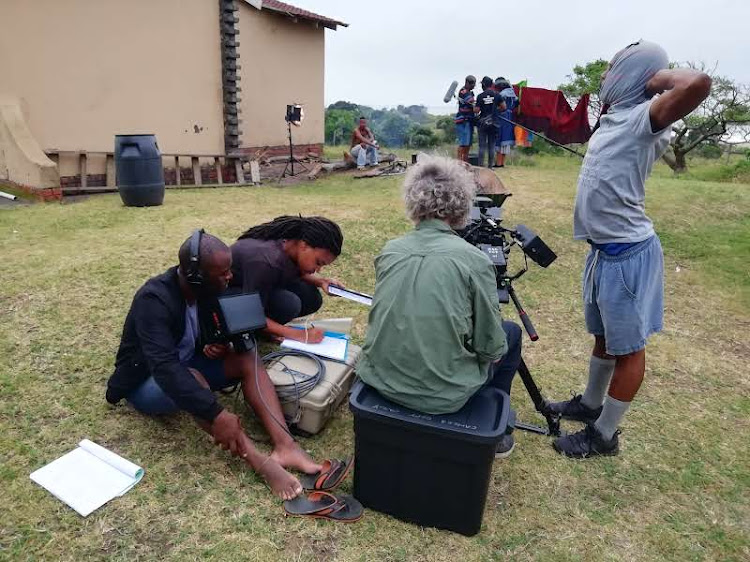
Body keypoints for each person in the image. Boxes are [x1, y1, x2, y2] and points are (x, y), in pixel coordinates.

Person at [550, 41, 712, 458]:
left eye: (612, 69)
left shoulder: (647, 116)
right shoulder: (617, 116)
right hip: (603, 252)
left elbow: (697, 83)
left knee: (629, 348)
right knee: (604, 336)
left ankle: (604, 435)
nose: (604, 77)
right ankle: (589, 405)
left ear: (635, 73)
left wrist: (656, 80)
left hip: (627, 253)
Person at [106, 231, 326, 499]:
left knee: (246, 356)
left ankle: (286, 445)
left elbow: (209, 330)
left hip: (186, 365)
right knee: (192, 376)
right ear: (195, 277)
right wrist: (215, 413)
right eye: (223, 273)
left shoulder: (205, 291)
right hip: (148, 383)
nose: (230, 277)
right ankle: (261, 462)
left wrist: (217, 345)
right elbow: (165, 368)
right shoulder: (153, 300)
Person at [356, 156, 522, 457]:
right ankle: (492, 428)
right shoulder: (475, 261)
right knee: (510, 333)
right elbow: (490, 346)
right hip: (445, 397)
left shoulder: (390, 251)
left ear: (413, 201)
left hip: (379, 380)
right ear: (462, 204)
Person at [230, 215, 344, 344]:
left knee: (310, 296)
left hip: (256, 286)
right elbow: (249, 313)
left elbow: (291, 271)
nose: (318, 270)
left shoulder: (289, 242)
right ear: (304, 245)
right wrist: (299, 335)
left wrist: (322, 281)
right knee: (288, 304)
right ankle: (258, 331)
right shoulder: (266, 262)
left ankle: (268, 328)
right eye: (318, 262)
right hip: (229, 299)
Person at [475, 76, 504, 169]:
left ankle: (480, 167)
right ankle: (490, 167)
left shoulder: (480, 96)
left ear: (483, 85)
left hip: (482, 124)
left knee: (482, 146)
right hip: (494, 123)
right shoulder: (497, 95)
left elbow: (476, 110)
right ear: (491, 84)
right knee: (491, 146)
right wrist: (495, 111)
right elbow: (504, 107)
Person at [493, 77, 517, 167]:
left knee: (500, 140)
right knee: (506, 141)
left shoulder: (502, 94)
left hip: (502, 118)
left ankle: (498, 163)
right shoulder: (513, 94)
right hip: (510, 118)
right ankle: (502, 162)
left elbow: (500, 106)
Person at [455, 75, 477, 162]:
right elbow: (472, 103)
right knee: (463, 143)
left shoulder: (470, 93)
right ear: (467, 83)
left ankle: (465, 161)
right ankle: (459, 162)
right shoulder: (464, 92)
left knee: (468, 144)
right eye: (472, 84)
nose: (473, 86)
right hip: (463, 121)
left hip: (469, 120)